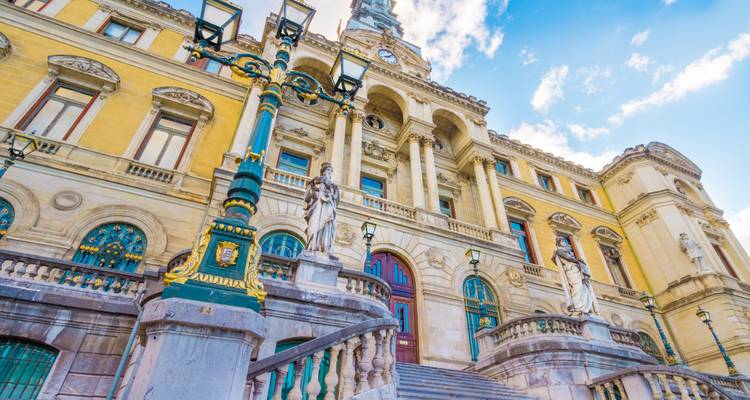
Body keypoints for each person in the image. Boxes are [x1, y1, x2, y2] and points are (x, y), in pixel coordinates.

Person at [303, 163, 340, 254]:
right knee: (315, 226)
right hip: (317, 207)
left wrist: (330, 192)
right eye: (328, 170)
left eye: (331, 171)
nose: (330, 173)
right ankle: (313, 246)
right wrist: (317, 194)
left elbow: (337, 198)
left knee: (327, 225)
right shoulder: (316, 181)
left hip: (328, 207)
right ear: (323, 172)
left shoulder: (334, 186)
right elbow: (308, 196)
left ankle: (323, 247)